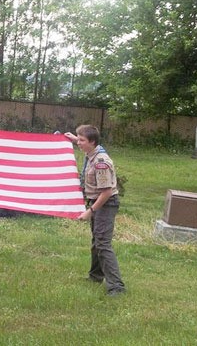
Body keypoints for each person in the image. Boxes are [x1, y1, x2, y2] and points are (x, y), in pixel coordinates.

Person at [65, 125, 126, 296]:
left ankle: (117, 287)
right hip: (97, 201)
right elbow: (85, 141)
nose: (79, 143)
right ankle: (95, 276)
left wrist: (90, 211)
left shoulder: (101, 163)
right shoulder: (92, 151)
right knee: (96, 241)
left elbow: (106, 192)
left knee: (103, 244)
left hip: (106, 203)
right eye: (79, 139)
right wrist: (75, 138)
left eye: (82, 140)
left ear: (92, 142)